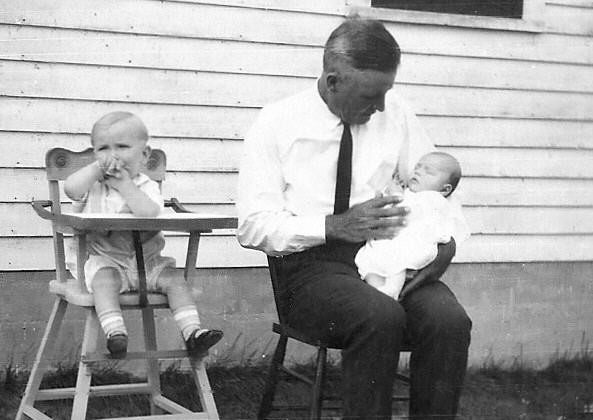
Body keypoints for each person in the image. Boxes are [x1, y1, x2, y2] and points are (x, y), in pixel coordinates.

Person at [237, 18, 471, 420]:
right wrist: (333, 225)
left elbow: (442, 186)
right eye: (370, 95)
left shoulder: (394, 111)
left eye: (386, 93)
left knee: (448, 321)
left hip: (385, 258)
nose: (380, 106)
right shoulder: (276, 123)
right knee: (379, 317)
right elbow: (253, 225)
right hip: (309, 273)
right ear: (333, 81)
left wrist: (446, 246)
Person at [64, 111, 223, 358]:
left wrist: (125, 186)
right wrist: (96, 169)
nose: (112, 155)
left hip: (149, 264)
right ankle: (116, 334)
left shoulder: (146, 186)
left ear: (145, 154)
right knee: (104, 282)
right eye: (103, 149)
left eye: (122, 147)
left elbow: (149, 212)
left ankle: (193, 333)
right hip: (107, 262)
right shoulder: (93, 186)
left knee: (176, 281)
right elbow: (71, 189)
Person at [356, 151, 471, 300]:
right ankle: (378, 289)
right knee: (368, 260)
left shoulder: (434, 199)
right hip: (391, 241)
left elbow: (409, 211)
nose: (419, 172)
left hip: (415, 243)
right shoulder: (411, 193)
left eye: (428, 172)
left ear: (445, 189)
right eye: (418, 167)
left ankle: (392, 290)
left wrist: (396, 196)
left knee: (398, 262)